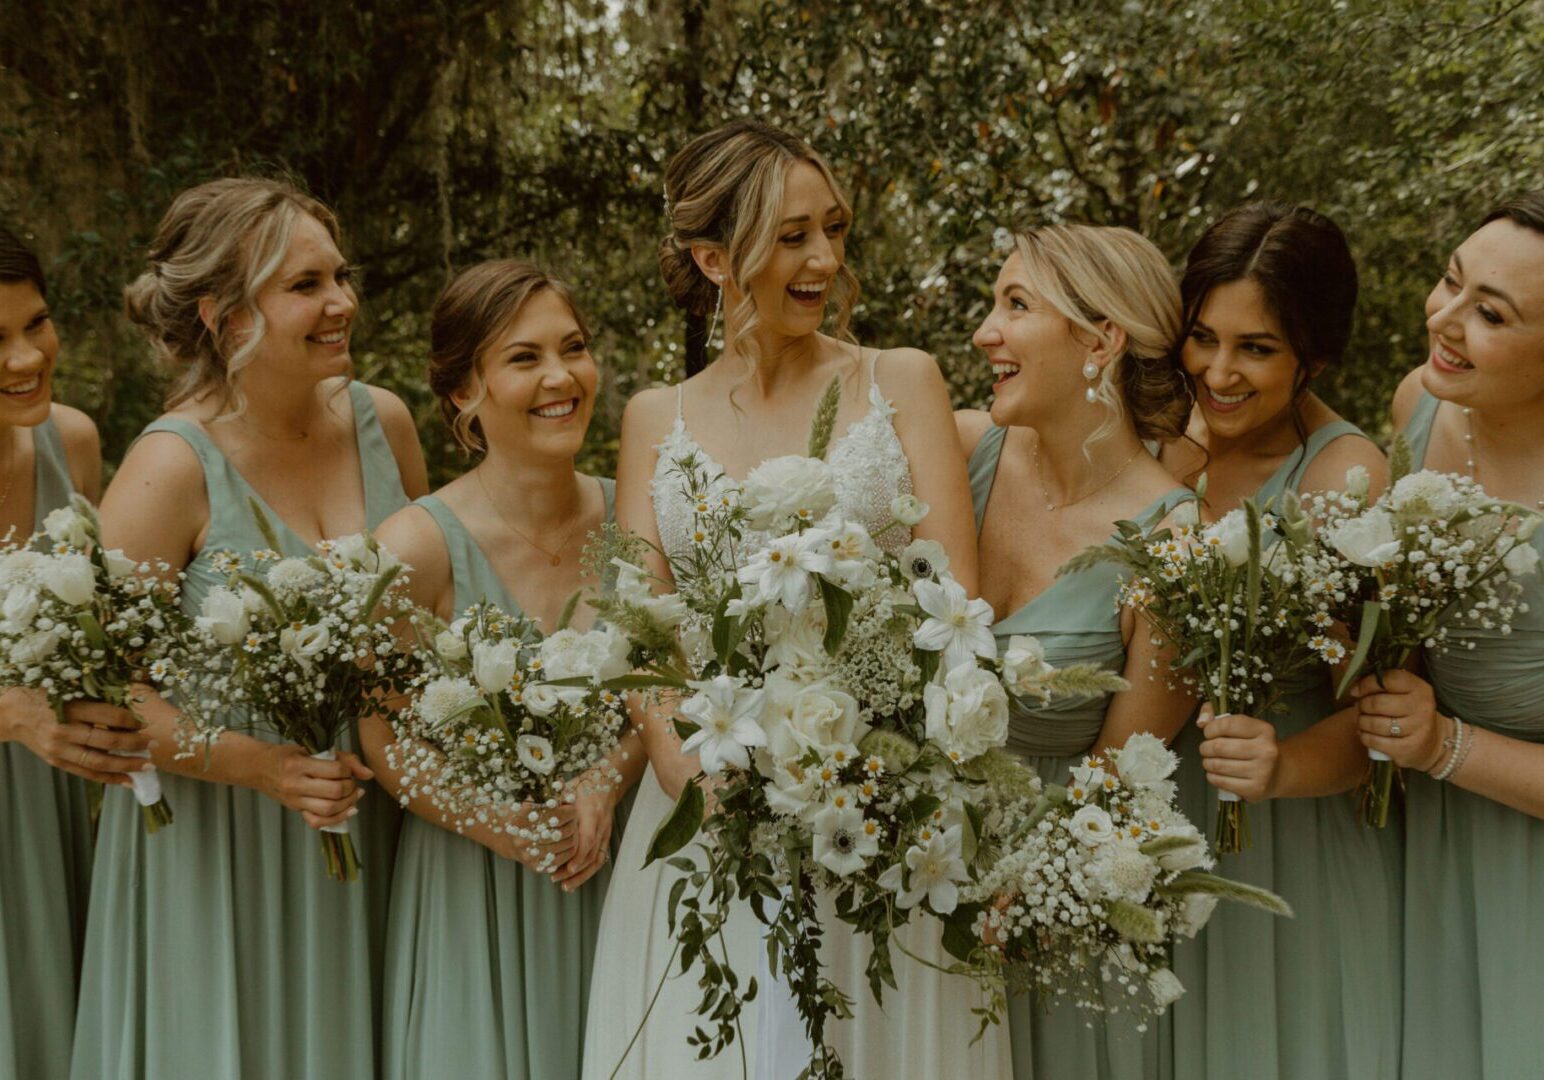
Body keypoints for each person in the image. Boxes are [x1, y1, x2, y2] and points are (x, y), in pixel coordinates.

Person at [582, 118, 1002, 1080]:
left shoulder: (901, 381)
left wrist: (866, 772)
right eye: (792, 236)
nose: (823, 258)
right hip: (707, 799)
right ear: (713, 257)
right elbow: (643, 628)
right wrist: (689, 771)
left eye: (834, 229)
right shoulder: (659, 415)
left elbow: (955, 602)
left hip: (876, 799)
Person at [69, 178, 428, 1080]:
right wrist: (262, 766)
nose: (342, 301)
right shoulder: (166, 468)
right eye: (305, 286)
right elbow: (107, 696)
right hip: (220, 848)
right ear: (226, 317)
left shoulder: (383, 423)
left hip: (373, 814)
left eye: (341, 275)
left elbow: (433, 615)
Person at [361, 259, 639, 1079]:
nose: (561, 378)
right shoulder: (414, 547)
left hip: (617, 878)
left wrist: (607, 781)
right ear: (462, 394)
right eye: (524, 359)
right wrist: (503, 827)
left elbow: (678, 694)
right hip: (469, 892)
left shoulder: (637, 516)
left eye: (575, 348)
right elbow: (382, 742)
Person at [1157, 202, 1399, 1079]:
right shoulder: (1166, 441)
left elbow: (1376, 719)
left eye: (1255, 348)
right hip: (1172, 831)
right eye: (1202, 337)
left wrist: (1282, 767)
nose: (1218, 372)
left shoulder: (1344, 476)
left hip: (1289, 844)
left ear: (1317, 358)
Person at [955, 222, 1197, 1078]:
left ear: (1101, 340)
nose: (986, 332)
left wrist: (1027, 896)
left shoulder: (1172, 538)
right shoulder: (960, 452)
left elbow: (1128, 766)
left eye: (1015, 305)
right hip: (915, 875)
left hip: (1058, 908)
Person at [1359, 190, 1544, 1079]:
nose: (1446, 319)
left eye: (1491, 313)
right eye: (1450, 282)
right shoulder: (1418, 412)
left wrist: (1443, 743)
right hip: (1425, 852)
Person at [0, 226, 145, 1078]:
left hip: (58, 811)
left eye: (37, 324)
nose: (25, 359)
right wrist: (16, 713)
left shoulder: (74, 444)